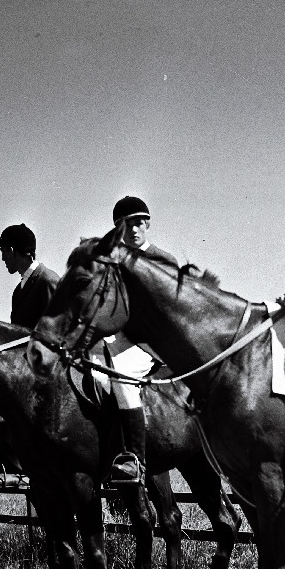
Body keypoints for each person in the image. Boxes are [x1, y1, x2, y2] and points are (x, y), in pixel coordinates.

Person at [107, 196, 178, 485]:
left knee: (120, 374)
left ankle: (134, 457)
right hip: (126, 336)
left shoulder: (163, 259)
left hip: (156, 341)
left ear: (147, 223)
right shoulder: (114, 261)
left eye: (138, 222)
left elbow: (172, 310)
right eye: (125, 224)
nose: (133, 229)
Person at [0, 224, 59, 328]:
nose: (2, 258)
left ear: (11, 251)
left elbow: (58, 330)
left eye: (3, 251)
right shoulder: (18, 291)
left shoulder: (47, 280)